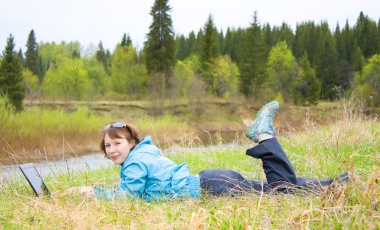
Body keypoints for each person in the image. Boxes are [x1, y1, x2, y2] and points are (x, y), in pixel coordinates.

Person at [64, 101, 348, 201]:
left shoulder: (135, 163)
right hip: (213, 180)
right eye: (108, 146)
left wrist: (91, 193)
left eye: (118, 143)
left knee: (279, 191)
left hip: (213, 187)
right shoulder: (145, 153)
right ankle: (336, 185)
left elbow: (127, 197)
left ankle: (264, 136)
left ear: (132, 143)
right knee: (274, 190)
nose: (112, 150)